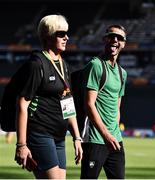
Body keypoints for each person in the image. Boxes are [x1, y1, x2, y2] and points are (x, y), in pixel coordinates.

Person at [14, 14, 83, 179]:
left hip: (59, 137)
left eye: (66, 33)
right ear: (47, 36)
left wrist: (77, 137)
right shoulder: (37, 65)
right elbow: (22, 105)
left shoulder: (64, 65)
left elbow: (67, 101)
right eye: (61, 34)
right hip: (40, 134)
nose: (66, 37)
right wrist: (21, 145)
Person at [80, 24, 127, 179]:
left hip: (115, 140)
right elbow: (89, 104)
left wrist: (114, 134)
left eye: (119, 38)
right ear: (104, 39)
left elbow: (117, 107)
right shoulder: (95, 66)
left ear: (124, 44)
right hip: (95, 139)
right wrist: (106, 135)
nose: (115, 40)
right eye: (111, 36)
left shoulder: (122, 73)